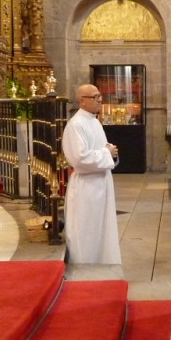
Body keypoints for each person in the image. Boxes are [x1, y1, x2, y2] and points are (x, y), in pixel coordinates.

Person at [62, 84, 121, 265]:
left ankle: (104, 265)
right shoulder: (76, 125)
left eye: (99, 96)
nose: (100, 100)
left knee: (103, 229)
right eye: (95, 97)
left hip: (101, 182)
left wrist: (111, 152)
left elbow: (100, 149)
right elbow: (79, 159)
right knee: (86, 230)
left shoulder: (94, 121)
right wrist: (106, 153)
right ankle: (84, 266)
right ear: (82, 101)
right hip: (86, 187)